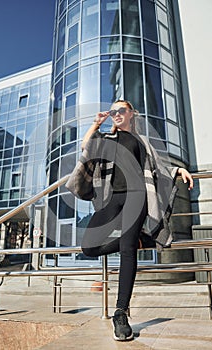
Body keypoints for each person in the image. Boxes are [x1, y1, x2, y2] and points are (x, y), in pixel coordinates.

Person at [66, 99, 193, 341]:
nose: (116, 114)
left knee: (126, 249)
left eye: (120, 110)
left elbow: (159, 167)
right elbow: (86, 147)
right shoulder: (107, 139)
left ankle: (120, 313)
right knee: (89, 247)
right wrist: (96, 124)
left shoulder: (141, 140)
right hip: (111, 197)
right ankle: (139, 238)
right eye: (113, 111)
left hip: (137, 196)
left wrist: (178, 171)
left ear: (131, 113)